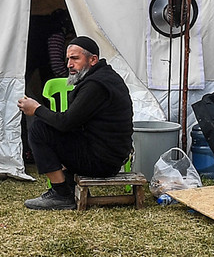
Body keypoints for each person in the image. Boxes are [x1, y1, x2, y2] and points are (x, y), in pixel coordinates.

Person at [16, 35, 132, 211]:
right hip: (108, 155)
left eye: (75, 58)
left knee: (40, 129)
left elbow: (66, 123)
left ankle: (61, 194)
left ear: (93, 59)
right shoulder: (102, 78)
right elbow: (73, 121)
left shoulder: (96, 85)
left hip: (103, 161)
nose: (69, 64)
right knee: (50, 127)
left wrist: (37, 108)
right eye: (68, 59)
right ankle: (67, 185)